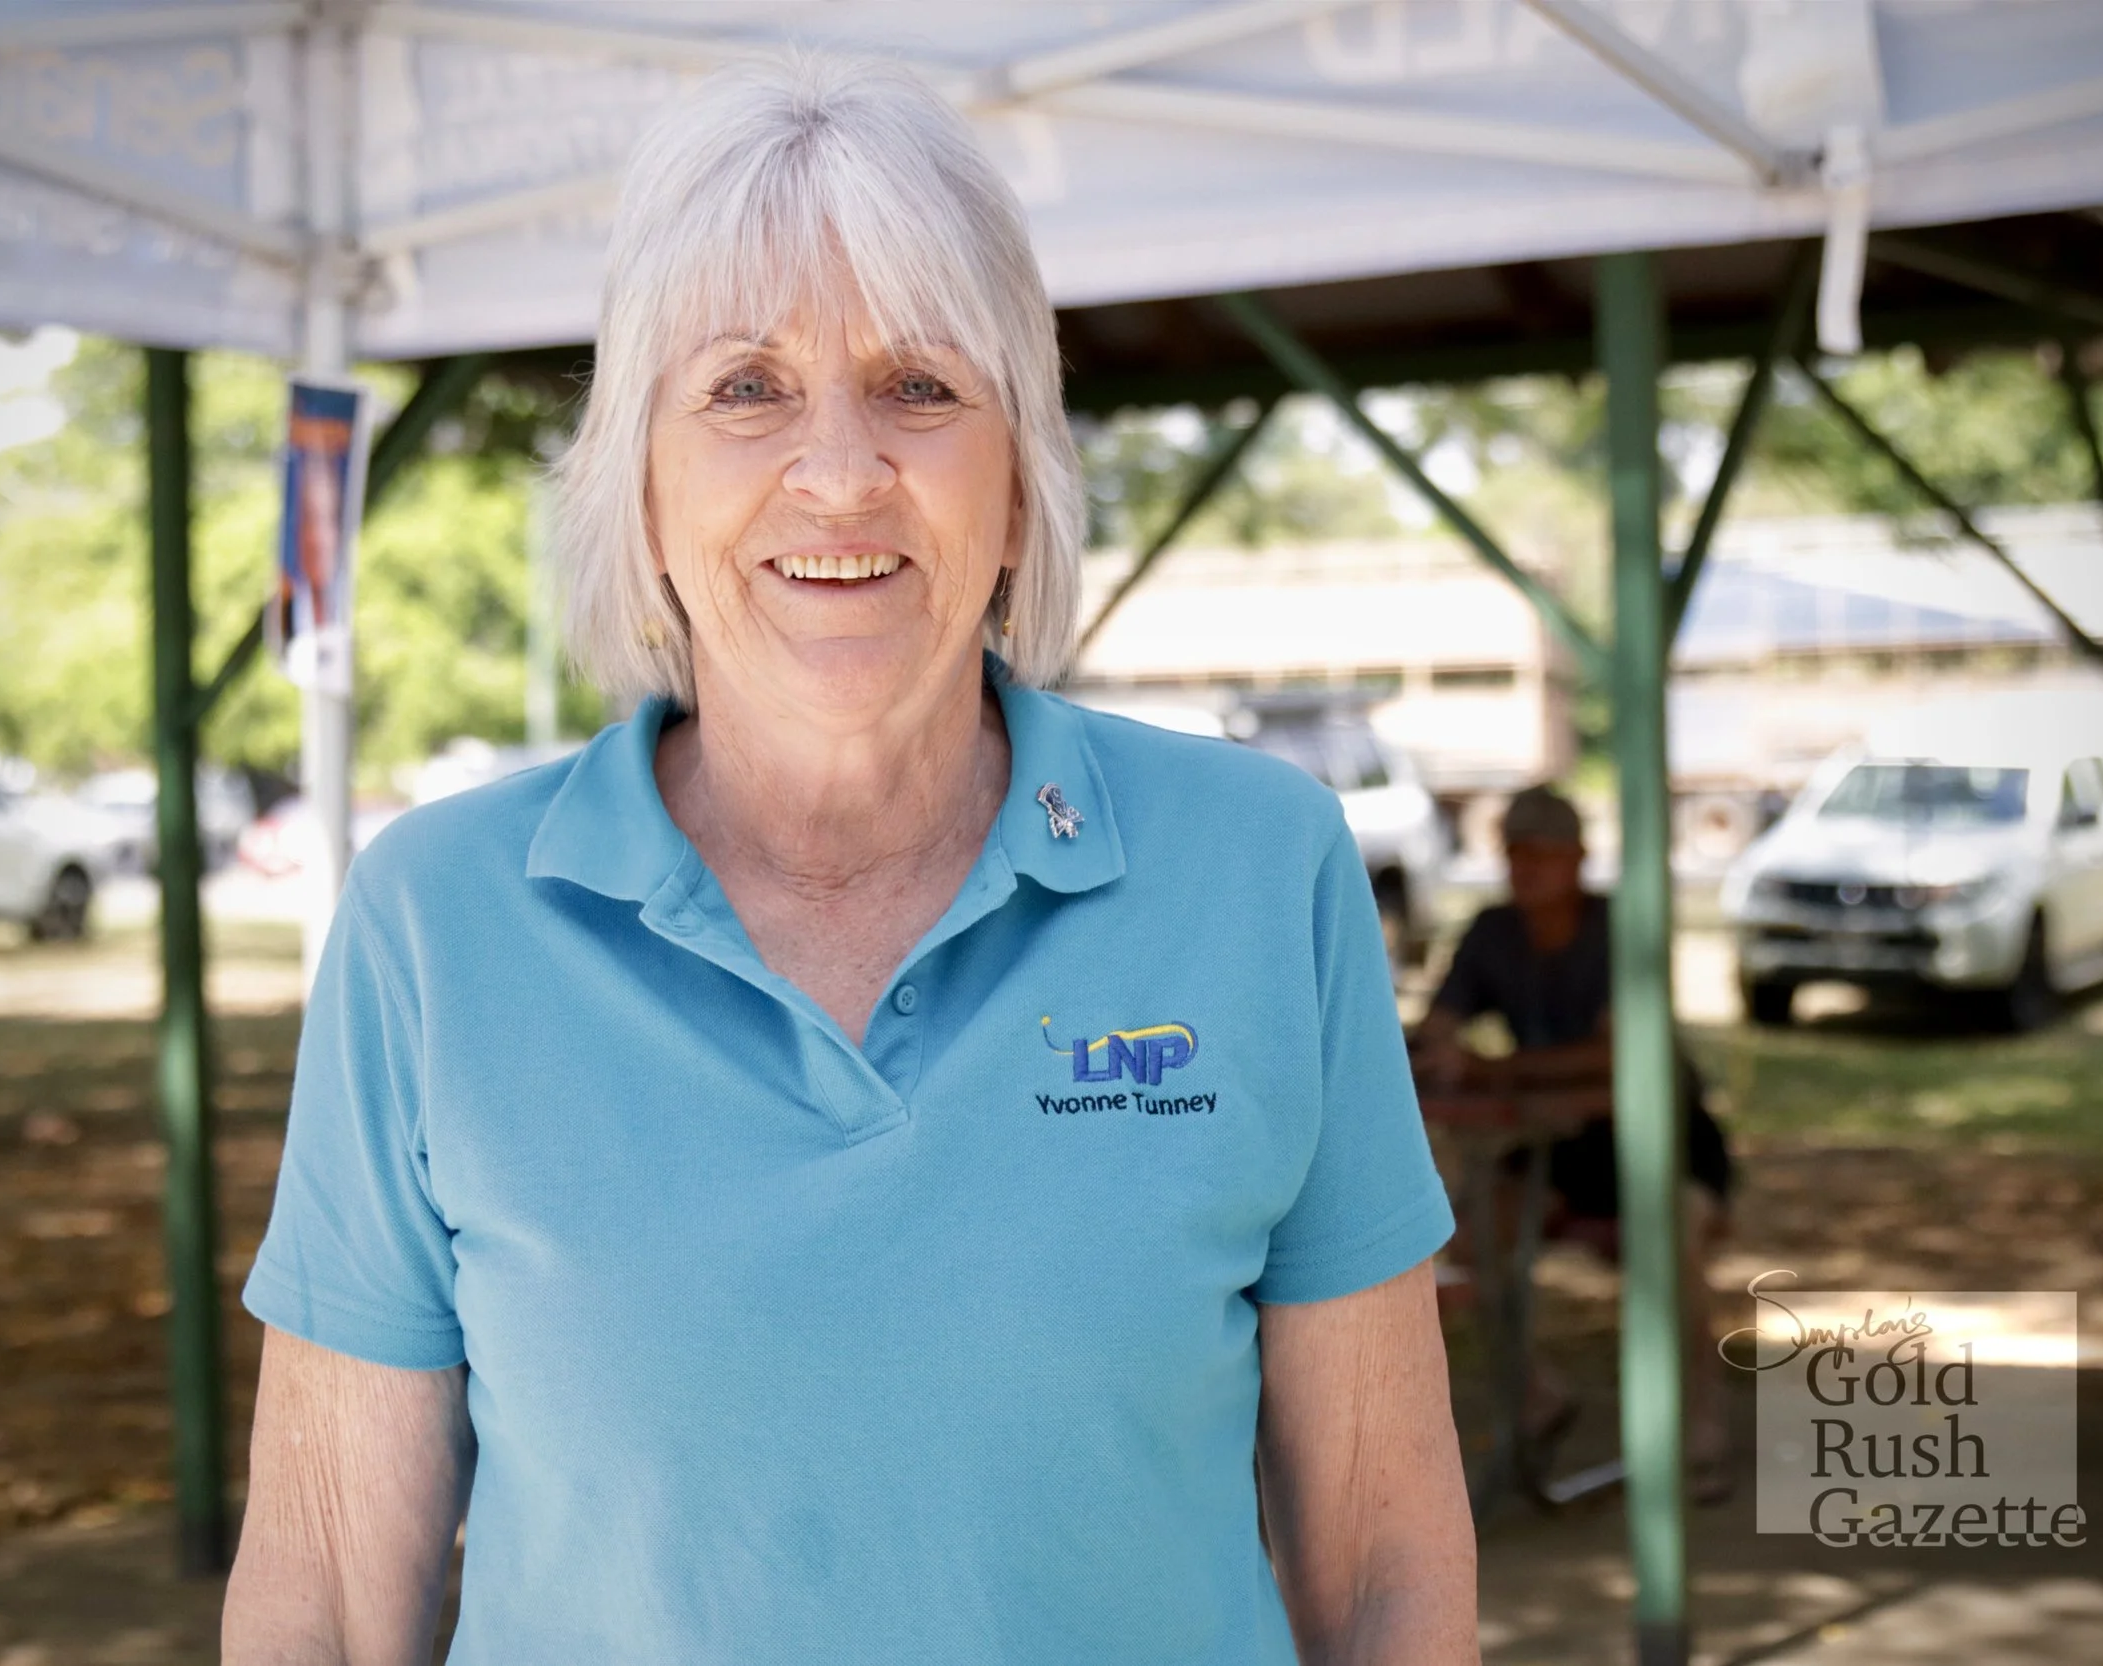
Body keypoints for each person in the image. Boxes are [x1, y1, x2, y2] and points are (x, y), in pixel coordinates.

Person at [223, 58, 1477, 1665]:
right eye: (744, 387)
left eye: (920, 387)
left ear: (1020, 482)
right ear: (644, 488)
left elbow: (1386, 1552)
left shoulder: (1259, 866)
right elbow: (324, 1589)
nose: (836, 471)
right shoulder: (438, 921)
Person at [1410, 784, 1735, 1501]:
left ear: (1579, 860)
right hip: (1559, 1148)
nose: (1527, 871)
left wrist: (1501, 1070)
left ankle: (1699, 1429)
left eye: (1544, 855)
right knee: (1471, 1236)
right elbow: (1442, 1026)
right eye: (1516, 854)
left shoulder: (1621, 931)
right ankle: (1536, 1398)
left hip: (1662, 1148)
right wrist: (1438, 1051)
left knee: (1672, 1247)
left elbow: (1621, 1056)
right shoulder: (1493, 932)